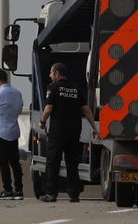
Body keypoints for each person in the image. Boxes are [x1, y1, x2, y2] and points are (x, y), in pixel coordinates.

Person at [40, 62, 98, 203]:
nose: (50, 75)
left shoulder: (53, 88)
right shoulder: (76, 89)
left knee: (53, 162)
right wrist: (94, 128)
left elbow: (48, 108)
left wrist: (42, 121)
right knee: (72, 163)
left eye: (51, 73)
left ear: (57, 73)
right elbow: (86, 110)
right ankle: (74, 194)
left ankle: (51, 194)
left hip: (58, 132)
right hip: (74, 132)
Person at [0, 68, 25, 199]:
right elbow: (19, 109)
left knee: (3, 163)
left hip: (0, 131)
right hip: (13, 131)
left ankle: (8, 190)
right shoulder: (17, 93)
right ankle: (19, 189)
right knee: (15, 162)